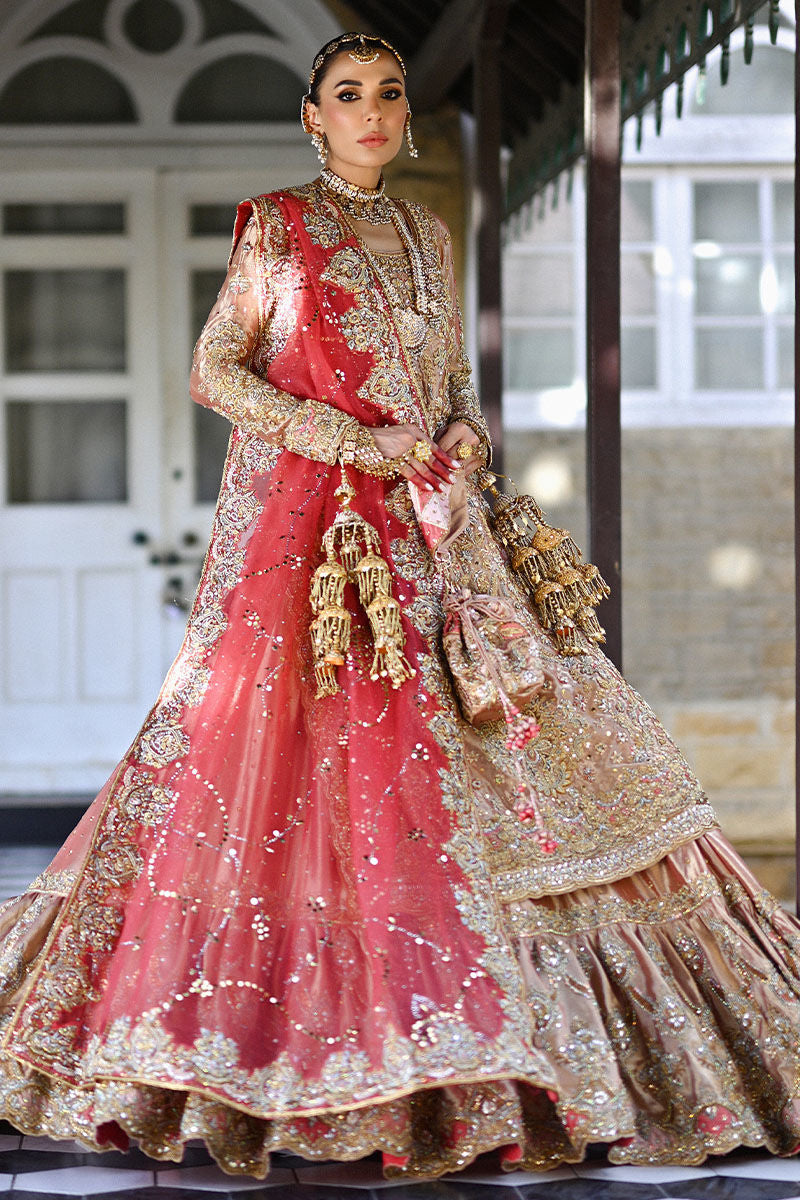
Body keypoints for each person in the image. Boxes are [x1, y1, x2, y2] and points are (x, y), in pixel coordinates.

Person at [1, 29, 800, 1184]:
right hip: (326, 551)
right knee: (326, 767)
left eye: (385, 94)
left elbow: (454, 387)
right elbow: (214, 373)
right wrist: (346, 439)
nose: (371, 112)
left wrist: (463, 438)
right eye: (346, 96)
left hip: (444, 539)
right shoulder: (278, 227)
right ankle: (289, 1073)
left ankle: (563, 1063)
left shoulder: (427, 233)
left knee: (532, 747)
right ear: (313, 118)